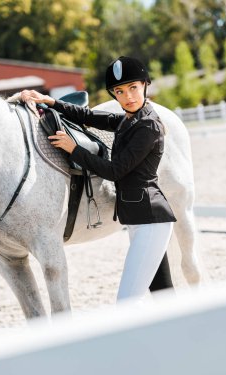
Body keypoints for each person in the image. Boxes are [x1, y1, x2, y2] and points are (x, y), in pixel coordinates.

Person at [21, 56, 176, 302]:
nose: (128, 96)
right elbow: (90, 117)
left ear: (145, 85)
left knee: (127, 301)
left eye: (133, 88)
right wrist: (50, 101)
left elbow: (115, 171)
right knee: (163, 294)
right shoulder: (128, 119)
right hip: (139, 219)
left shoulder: (148, 126)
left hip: (151, 221)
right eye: (120, 91)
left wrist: (74, 149)